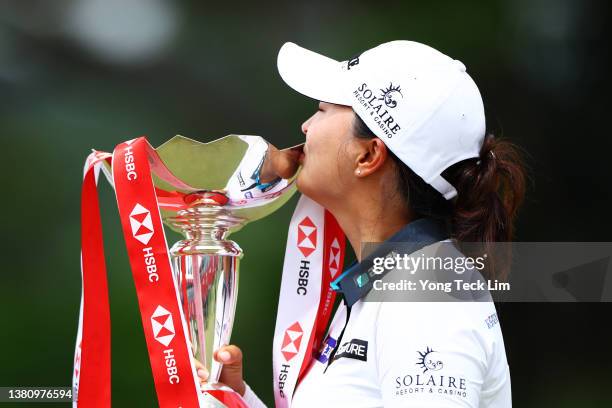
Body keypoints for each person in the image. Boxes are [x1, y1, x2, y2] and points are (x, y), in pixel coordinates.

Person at [197, 40, 525, 407]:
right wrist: (235, 401)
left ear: (368, 155)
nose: (305, 126)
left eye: (322, 110)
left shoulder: (427, 297)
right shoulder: (395, 285)